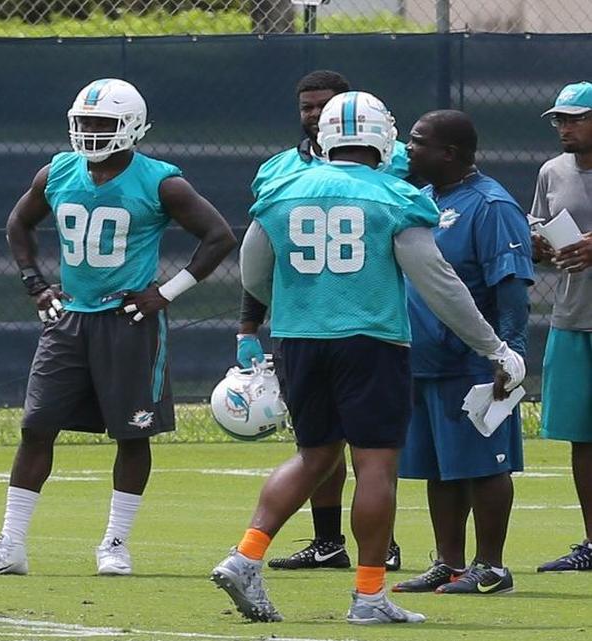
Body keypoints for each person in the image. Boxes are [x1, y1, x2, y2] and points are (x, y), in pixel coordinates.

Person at [211, 91, 526, 625]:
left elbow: (254, 274)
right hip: (371, 342)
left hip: (298, 339)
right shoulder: (396, 198)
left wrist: (288, 308)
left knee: (314, 457)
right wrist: (494, 347)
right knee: (375, 465)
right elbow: (440, 284)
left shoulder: (281, 187)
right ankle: (369, 595)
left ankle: (245, 555)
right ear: (384, 138)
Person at [0, 78, 237, 577]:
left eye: (101, 124)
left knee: (132, 434)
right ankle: (11, 546)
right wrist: (35, 284)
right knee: (36, 427)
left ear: (131, 127)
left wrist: (165, 292)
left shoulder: (161, 181)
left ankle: (114, 543)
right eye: (83, 123)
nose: (88, 133)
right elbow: (18, 224)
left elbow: (218, 236)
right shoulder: (57, 171)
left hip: (128, 321)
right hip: (68, 320)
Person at [241, 69, 410, 572]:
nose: (314, 116)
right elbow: (265, 254)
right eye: (306, 107)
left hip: (347, 320)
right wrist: (249, 326)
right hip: (340, 328)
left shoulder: (396, 163)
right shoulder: (277, 170)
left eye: (324, 106)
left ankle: (376, 546)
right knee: (345, 451)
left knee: (340, 450)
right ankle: (333, 545)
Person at [392, 110, 532, 594]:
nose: (407, 150)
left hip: (474, 360)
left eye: (417, 142)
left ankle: (491, 567)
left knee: (484, 464)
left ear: (449, 153)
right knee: (439, 467)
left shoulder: (491, 205)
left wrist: (508, 355)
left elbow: (511, 286)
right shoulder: (423, 200)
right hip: (424, 358)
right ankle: (449, 563)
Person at [531, 82, 592, 572]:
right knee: (581, 437)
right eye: (559, 119)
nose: (564, 127)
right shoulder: (552, 171)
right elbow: (538, 229)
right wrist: (543, 246)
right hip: (572, 317)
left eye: (575, 118)